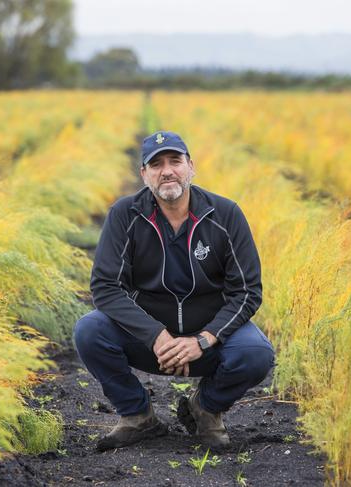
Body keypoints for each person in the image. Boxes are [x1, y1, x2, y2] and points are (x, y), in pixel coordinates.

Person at [73, 130, 275, 452]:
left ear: (190, 167)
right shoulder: (125, 215)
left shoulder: (225, 215)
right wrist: (157, 336)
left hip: (208, 341)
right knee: (89, 330)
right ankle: (138, 417)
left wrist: (204, 339)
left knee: (256, 353)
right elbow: (105, 286)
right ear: (144, 174)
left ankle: (206, 409)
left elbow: (247, 291)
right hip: (151, 343)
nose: (166, 170)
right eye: (156, 164)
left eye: (174, 161)